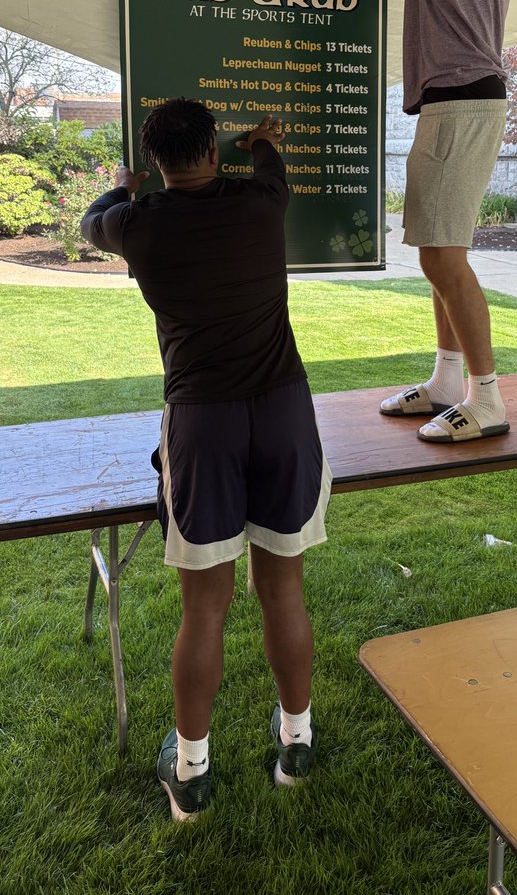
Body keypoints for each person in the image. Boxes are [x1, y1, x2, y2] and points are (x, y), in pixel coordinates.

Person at [81, 100, 330, 820]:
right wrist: (264, 140)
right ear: (214, 152)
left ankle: (190, 773)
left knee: (206, 607)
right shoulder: (261, 203)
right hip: (284, 413)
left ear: (158, 162)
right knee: (284, 592)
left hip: (202, 425)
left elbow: (91, 217)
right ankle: (297, 745)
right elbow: (271, 166)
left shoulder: (135, 224)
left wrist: (124, 186)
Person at [349, 0, 517, 444]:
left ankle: (487, 400)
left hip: (456, 97)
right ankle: (449, 382)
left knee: (441, 258)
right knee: (441, 249)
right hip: (479, 95)